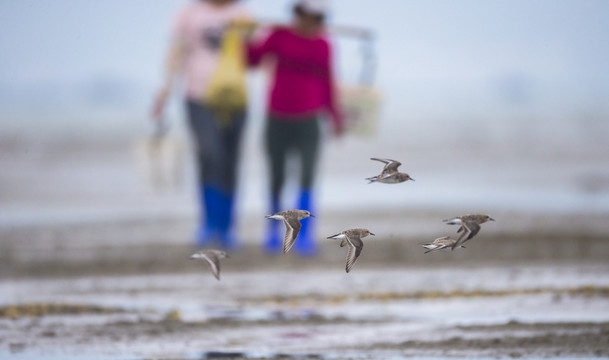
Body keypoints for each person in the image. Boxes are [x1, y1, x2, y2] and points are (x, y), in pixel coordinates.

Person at [246, 0, 345, 255]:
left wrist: (335, 116)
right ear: (298, 15)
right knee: (276, 176)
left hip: (309, 119)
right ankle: (272, 232)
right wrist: (246, 35)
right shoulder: (278, 36)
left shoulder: (323, 44)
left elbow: (327, 82)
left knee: (307, 177)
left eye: (319, 19)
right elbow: (252, 60)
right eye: (309, 17)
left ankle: (304, 236)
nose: (313, 24)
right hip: (276, 118)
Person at [152, 0, 250, 249]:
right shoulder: (189, 14)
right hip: (198, 97)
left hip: (236, 98)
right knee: (209, 155)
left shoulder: (242, 14)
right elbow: (176, 51)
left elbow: (256, 55)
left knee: (230, 159)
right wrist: (165, 89)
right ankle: (209, 223)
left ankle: (227, 227)